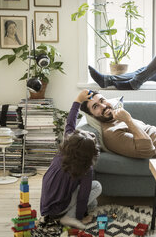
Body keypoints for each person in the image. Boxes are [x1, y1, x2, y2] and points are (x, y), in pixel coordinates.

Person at [40, 90, 102, 229]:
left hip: (46, 206)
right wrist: (80, 216)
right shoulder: (86, 169)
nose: (92, 134)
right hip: (59, 209)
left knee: (93, 204)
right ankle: (69, 217)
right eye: (92, 137)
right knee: (97, 187)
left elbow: (70, 121)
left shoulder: (66, 147)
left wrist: (78, 100)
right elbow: (82, 196)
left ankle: (66, 213)